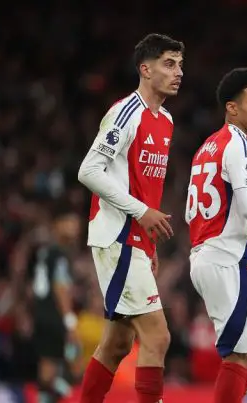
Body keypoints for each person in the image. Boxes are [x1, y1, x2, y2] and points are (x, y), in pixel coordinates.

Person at [76, 33, 184, 403]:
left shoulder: (166, 120)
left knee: (117, 344)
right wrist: (140, 214)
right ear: (145, 68)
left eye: (180, 65)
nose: (178, 72)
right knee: (158, 337)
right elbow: (89, 171)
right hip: (117, 235)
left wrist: (148, 241)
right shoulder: (127, 112)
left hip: (136, 240)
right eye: (169, 64)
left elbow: (143, 187)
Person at [186, 67, 247, 403]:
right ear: (232, 108)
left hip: (215, 255)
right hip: (227, 260)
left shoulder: (208, 146)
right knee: (238, 356)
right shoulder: (241, 145)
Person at [27, 212, 81, 402]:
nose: (76, 228)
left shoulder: (45, 252)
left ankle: (48, 395)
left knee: (46, 367)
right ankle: (61, 389)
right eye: (70, 223)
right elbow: (60, 287)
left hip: (40, 314)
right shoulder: (59, 254)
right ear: (57, 225)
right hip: (55, 316)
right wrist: (69, 321)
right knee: (74, 360)